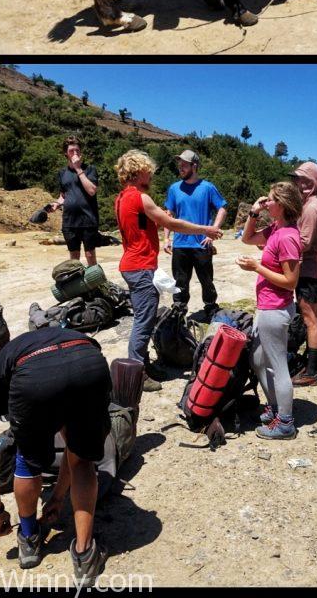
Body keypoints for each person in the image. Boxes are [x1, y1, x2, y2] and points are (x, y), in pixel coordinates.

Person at [0, 327, 110, 583]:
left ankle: (29, 537)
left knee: (27, 459)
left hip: (35, 375)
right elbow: (73, 450)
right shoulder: (11, 361)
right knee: (83, 461)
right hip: (89, 361)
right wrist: (57, 497)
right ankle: (85, 555)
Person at [114, 150, 223, 391]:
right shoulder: (139, 198)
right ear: (139, 171)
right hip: (139, 266)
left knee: (144, 317)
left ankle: (142, 365)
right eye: (148, 170)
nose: (152, 175)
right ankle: (136, 374)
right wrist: (205, 229)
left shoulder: (121, 197)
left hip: (133, 264)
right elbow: (171, 223)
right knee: (143, 322)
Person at [237, 181, 303, 440]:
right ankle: (275, 408)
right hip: (266, 306)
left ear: (284, 205)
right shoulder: (276, 228)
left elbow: (290, 282)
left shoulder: (287, 237)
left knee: (278, 365)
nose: (267, 202)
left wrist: (256, 268)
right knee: (257, 359)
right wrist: (254, 213)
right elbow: (247, 238)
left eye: (271, 199)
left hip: (275, 309)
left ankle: (285, 422)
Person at [163, 149, 227, 319]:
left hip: (201, 244)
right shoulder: (174, 188)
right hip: (180, 244)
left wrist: (212, 232)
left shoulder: (207, 187)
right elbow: (168, 214)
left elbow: (222, 208)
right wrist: (166, 238)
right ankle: (179, 308)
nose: (180, 168)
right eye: (179, 165)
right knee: (180, 282)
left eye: (184, 165)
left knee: (207, 281)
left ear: (195, 166)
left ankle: (210, 307)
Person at [288, 162, 317, 387]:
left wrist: (280, 243)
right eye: (297, 180)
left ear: (314, 183)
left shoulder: (312, 208)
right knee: (316, 316)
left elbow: (304, 242)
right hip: (313, 271)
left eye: (305, 180)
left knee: (309, 319)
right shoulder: (311, 205)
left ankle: (312, 371)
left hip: (308, 271)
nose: (299, 184)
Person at [48, 137, 99, 267]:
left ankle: (96, 284)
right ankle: (77, 285)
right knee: (74, 258)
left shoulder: (90, 169)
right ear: (66, 153)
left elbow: (92, 191)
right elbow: (63, 195)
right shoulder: (62, 173)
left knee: (90, 255)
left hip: (88, 219)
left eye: (77, 150)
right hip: (70, 221)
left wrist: (78, 169)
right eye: (71, 151)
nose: (75, 153)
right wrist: (56, 204)